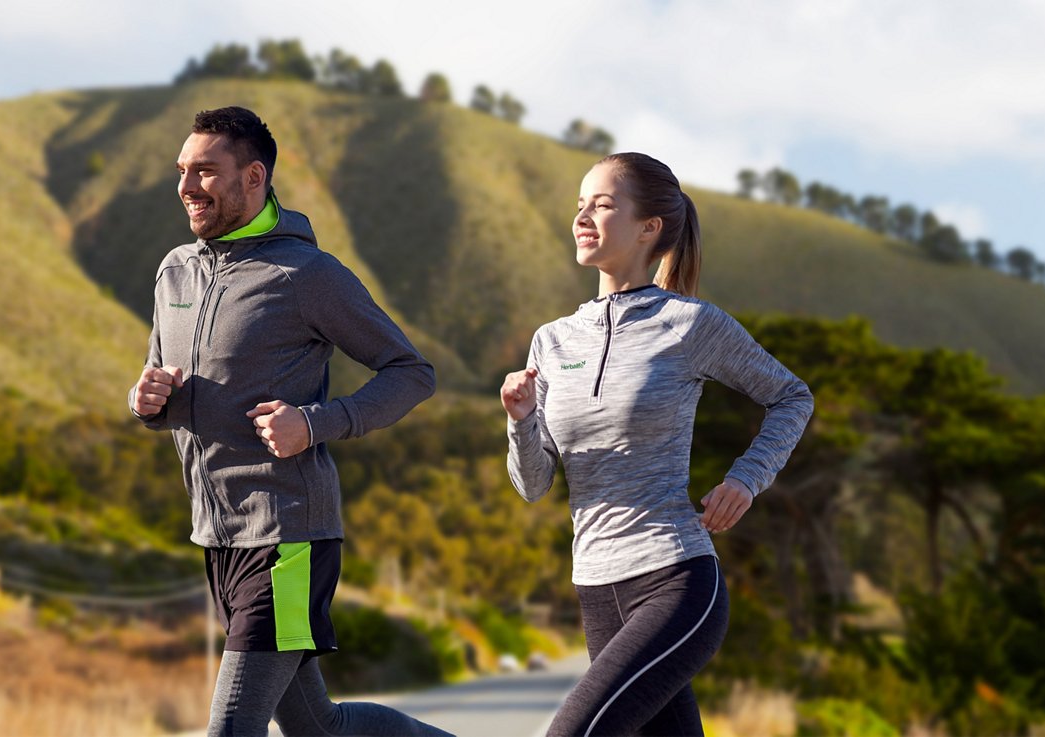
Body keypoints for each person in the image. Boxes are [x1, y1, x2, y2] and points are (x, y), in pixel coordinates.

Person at [129, 106, 450, 737]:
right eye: (182, 171)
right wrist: (146, 400)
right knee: (318, 729)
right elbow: (156, 381)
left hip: (289, 537)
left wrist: (317, 422)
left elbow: (411, 372)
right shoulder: (176, 271)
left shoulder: (305, 275)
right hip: (217, 538)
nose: (187, 186)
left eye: (205, 171)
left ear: (253, 178)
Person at [501, 152, 813, 736]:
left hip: (673, 576)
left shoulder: (690, 324)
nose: (583, 217)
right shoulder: (552, 340)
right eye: (579, 205)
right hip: (595, 587)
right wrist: (519, 420)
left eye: (603, 204)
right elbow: (534, 484)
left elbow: (792, 396)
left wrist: (746, 478)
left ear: (650, 228)